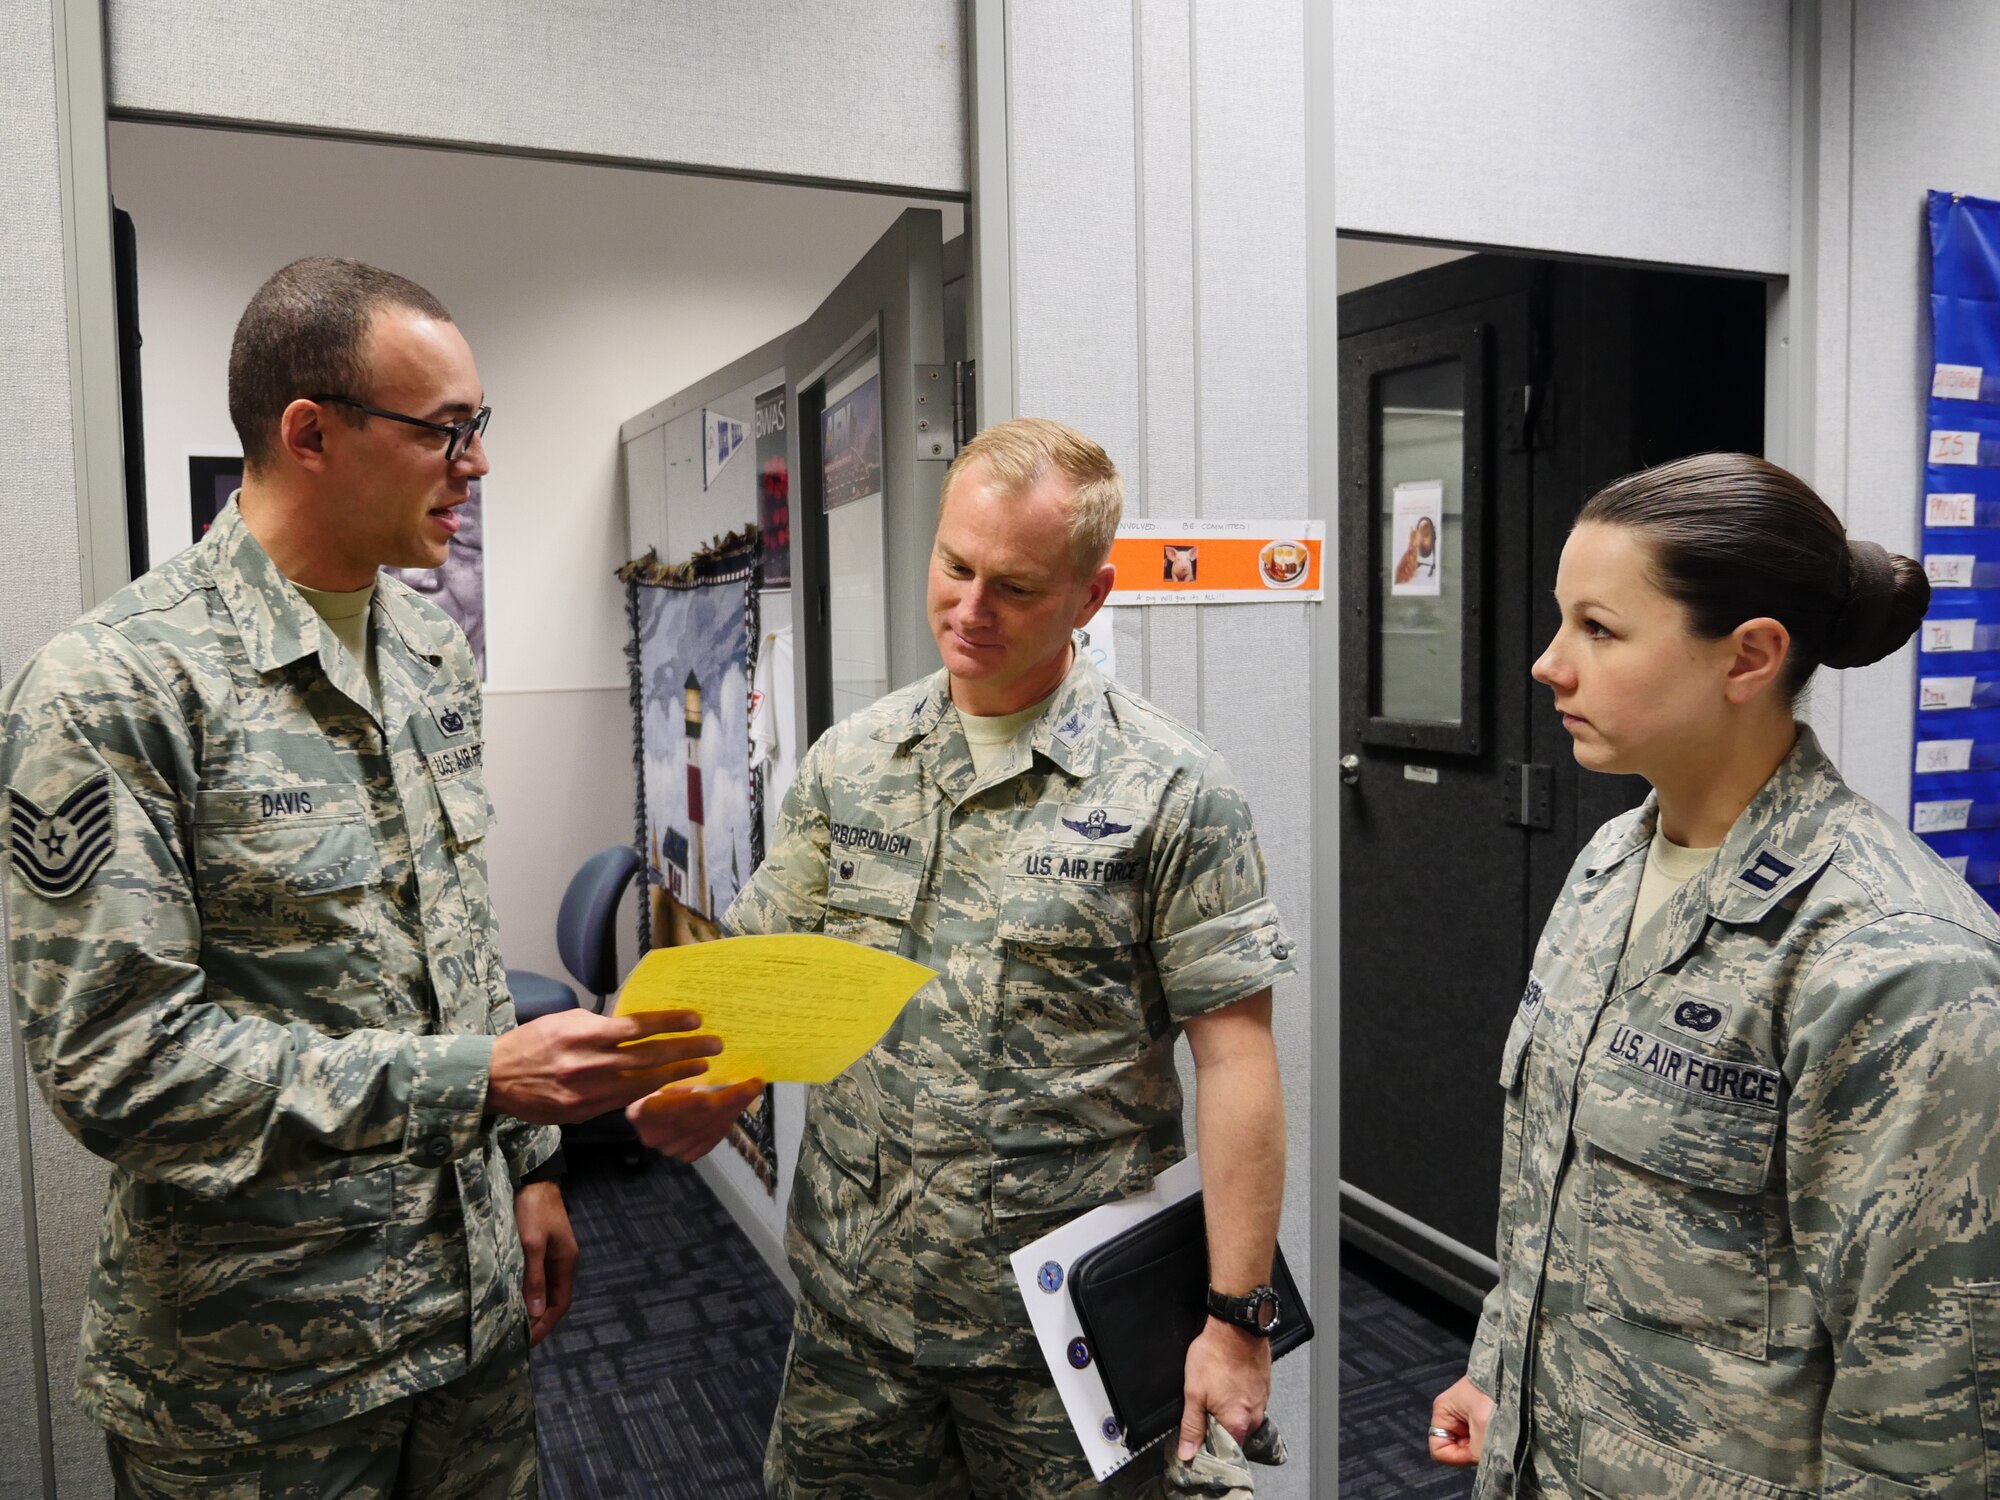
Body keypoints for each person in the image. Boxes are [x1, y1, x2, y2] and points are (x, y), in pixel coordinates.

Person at [0, 257, 722, 1499]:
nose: (476, 463)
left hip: (467, 1329)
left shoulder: (428, 644)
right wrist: (478, 1082)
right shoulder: (115, 686)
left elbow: (448, 932)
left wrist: (531, 1170)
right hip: (259, 1380)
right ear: (308, 434)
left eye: (478, 427)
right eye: (446, 430)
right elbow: (117, 1067)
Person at [629, 417, 1298, 1498]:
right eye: (954, 566)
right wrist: (725, 1076)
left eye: (1016, 588)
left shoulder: (1173, 790)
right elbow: (774, 968)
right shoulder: (854, 761)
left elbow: (1236, 1062)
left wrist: (1237, 1315)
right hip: (858, 1302)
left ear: (1089, 595)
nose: (969, 609)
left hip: (1060, 1327)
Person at [1428, 453, 2000, 1497]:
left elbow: (1925, 1396)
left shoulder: (1894, 959)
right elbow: (1559, 1193)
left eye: (1597, 630)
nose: (1548, 665)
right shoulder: (1611, 863)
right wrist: (1496, 1372)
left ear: (1747, 656)